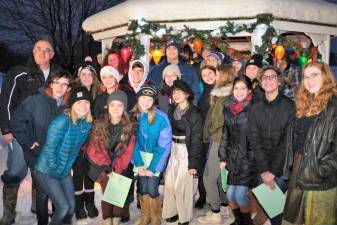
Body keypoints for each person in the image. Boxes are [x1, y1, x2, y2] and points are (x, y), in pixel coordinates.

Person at [0, 39, 59, 225]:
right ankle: (9, 213)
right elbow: (6, 102)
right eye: (38, 49)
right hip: (20, 132)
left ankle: (37, 204)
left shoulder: (57, 74)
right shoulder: (19, 72)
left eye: (46, 50)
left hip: (45, 133)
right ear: (33, 51)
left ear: (52, 54)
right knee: (16, 169)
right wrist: (6, 128)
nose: (42, 53)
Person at [10, 70, 71, 225]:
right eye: (58, 82)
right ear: (51, 83)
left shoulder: (66, 105)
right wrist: (29, 142)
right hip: (37, 158)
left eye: (65, 84)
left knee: (49, 192)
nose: (61, 87)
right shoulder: (35, 100)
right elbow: (16, 121)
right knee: (52, 199)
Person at [282, 62, 337, 225]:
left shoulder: (334, 107)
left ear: (326, 77)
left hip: (320, 179)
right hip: (298, 172)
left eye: (315, 75)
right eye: (306, 76)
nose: (309, 80)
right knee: (292, 220)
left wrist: (319, 169)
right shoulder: (303, 104)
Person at [33, 86, 92, 225]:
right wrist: (56, 169)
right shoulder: (62, 122)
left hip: (64, 171)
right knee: (63, 207)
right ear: (72, 105)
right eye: (78, 102)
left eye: (86, 102)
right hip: (47, 170)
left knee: (71, 207)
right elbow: (49, 148)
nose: (83, 106)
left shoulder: (86, 124)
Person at [248, 66, 294, 225]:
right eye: (264, 77)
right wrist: (264, 170)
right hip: (262, 165)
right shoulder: (255, 108)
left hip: (283, 166)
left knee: (270, 197)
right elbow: (255, 140)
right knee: (270, 199)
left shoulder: (290, 107)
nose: (268, 80)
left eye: (272, 76)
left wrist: (272, 172)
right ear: (260, 83)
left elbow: (287, 142)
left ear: (279, 81)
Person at [85, 90, 135, 225]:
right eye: (112, 105)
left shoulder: (129, 127)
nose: (116, 109)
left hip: (119, 167)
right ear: (108, 106)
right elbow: (93, 149)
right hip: (102, 167)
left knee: (118, 190)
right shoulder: (98, 124)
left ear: (124, 107)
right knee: (108, 192)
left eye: (120, 105)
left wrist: (117, 170)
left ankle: (116, 220)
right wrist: (107, 168)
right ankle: (108, 220)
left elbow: (128, 151)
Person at [198, 64, 235, 224]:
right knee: (220, 177)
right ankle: (225, 208)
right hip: (220, 139)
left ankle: (215, 212)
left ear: (224, 75)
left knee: (208, 178)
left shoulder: (224, 95)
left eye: (217, 73)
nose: (215, 76)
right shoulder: (223, 92)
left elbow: (218, 120)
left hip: (218, 139)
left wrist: (207, 132)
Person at [162, 80, 203, 225]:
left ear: (187, 94)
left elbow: (197, 139)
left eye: (180, 91)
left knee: (182, 187)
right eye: (174, 92)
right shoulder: (172, 109)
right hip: (173, 149)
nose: (176, 94)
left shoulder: (195, 113)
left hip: (187, 150)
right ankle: (173, 211)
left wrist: (194, 163)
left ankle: (184, 216)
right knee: (170, 184)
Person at [132, 83, 172, 225]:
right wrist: (139, 163)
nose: (146, 102)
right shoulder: (133, 116)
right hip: (140, 159)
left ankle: (155, 217)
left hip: (156, 159)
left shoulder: (161, 118)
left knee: (152, 187)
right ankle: (145, 215)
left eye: (150, 99)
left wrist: (153, 167)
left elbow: (164, 146)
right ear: (138, 99)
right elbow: (132, 143)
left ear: (154, 101)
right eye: (143, 98)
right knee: (142, 187)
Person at [218, 76, 256, 225]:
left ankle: (247, 223)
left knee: (239, 195)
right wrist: (222, 157)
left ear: (249, 90)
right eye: (236, 88)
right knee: (229, 194)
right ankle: (239, 221)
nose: (239, 92)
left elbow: (256, 140)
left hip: (248, 158)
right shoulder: (228, 107)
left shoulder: (254, 108)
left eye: (243, 88)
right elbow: (225, 134)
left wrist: (251, 159)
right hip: (232, 158)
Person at [72, 61, 100, 220]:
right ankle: (79, 203)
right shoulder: (74, 93)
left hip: (94, 141)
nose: (87, 77)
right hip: (77, 140)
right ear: (79, 76)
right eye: (84, 74)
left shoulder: (98, 94)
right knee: (78, 172)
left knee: (90, 173)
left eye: (90, 74)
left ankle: (90, 202)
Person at [195, 65, 217, 209]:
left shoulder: (221, 92)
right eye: (204, 75)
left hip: (215, 136)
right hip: (202, 135)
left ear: (216, 74)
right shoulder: (204, 91)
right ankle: (202, 196)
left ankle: (219, 200)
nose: (208, 76)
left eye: (210, 73)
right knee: (202, 167)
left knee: (212, 170)